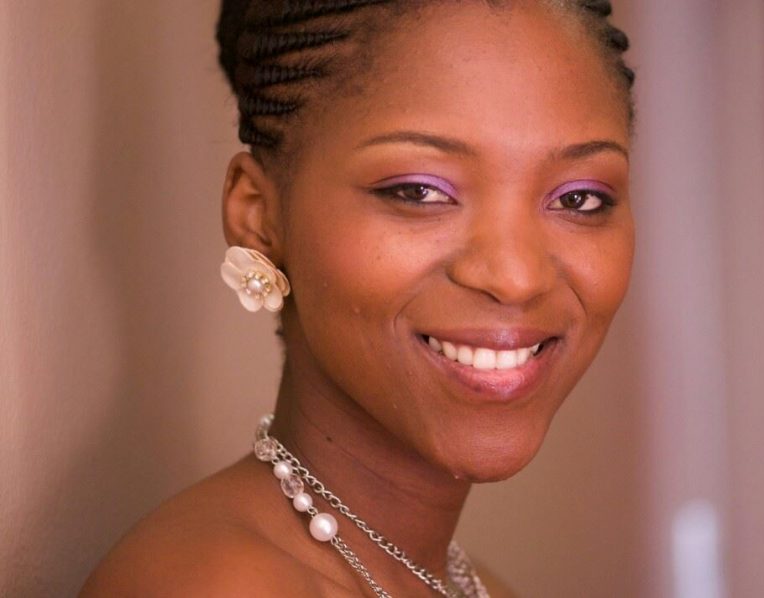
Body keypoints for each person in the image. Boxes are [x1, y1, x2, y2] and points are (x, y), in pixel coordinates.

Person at [80, 0, 635, 595]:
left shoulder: (476, 588)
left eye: (579, 199)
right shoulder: (210, 585)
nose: (517, 277)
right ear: (259, 217)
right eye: (418, 191)